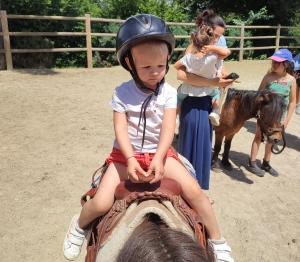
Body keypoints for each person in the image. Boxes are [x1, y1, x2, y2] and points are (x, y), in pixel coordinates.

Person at [62, 14, 234, 262]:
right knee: (100, 203)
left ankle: (217, 241)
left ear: (167, 60)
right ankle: (78, 225)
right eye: (146, 67)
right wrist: (130, 159)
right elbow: (120, 129)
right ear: (130, 64)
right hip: (125, 155)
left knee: (196, 192)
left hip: (160, 152)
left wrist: (162, 156)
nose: (155, 73)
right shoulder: (122, 92)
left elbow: (167, 128)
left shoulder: (167, 92)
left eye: (161, 66)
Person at [177, 9, 233, 193]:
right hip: (193, 102)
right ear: (205, 29)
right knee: (191, 144)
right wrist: (211, 82)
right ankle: (186, 188)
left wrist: (224, 79)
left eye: (220, 37)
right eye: (216, 35)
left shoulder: (213, 49)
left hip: (206, 101)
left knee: (203, 145)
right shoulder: (193, 48)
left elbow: (220, 68)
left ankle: (197, 189)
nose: (218, 40)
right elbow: (180, 74)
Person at [248, 49, 296, 177]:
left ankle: (266, 163)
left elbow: (292, 102)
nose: (274, 64)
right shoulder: (268, 77)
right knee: (258, 136)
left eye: (277, 62)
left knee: (272, 139)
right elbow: (258, 94)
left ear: (286, 64)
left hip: (280, 116)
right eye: (273, 61)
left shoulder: (292, 80)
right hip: (265, 116)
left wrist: (287, 120)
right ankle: (252, 162)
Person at [174, 27, 231, 126]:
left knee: (178, 98)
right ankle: (214, 111)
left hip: (188, 89)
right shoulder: (212, 58)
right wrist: (212, 48)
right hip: (207, 89)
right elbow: (227, 52)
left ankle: (174, 116)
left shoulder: (188, 58)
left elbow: (175, 66)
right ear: (210, 44)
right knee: (216, 94)